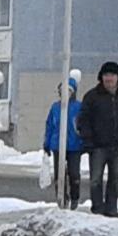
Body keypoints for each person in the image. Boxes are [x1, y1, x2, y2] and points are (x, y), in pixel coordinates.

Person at [78, 60, 118, 217]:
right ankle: (97, 209)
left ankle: (111, 209)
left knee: (115, 179)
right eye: (106, 75)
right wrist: (88, 140)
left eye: (112, 75)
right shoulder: (92, 97)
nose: (109, 78)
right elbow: (83, 120)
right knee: (96, 179)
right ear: (101, 77)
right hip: (97, 146)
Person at [42, 81, 85, 209]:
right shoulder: (55, 107)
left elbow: (83, 126)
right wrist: (47, 143)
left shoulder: (79, 107)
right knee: (59, 174)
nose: (66, 93)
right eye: (63, 90)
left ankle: (75, 198)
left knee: (74, 173)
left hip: (74, 146)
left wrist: (83, 142)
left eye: (69, 91)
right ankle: (61, 199)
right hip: (57, 146)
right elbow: (50, 125)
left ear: (73, 92)